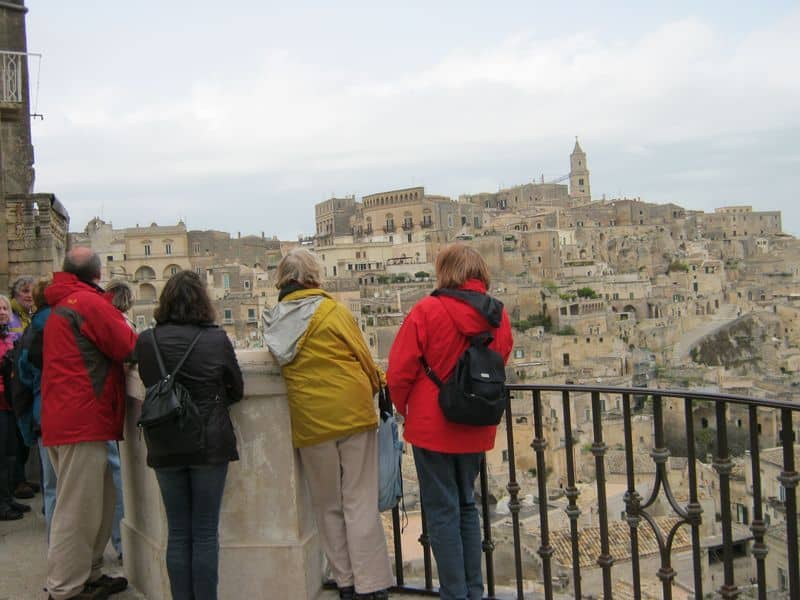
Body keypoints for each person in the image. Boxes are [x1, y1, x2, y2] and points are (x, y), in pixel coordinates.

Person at [263, 248, 392, 600]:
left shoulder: (273, 320)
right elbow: (365, 358)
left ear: (282, 279)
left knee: (327, 504)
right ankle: (371, 585)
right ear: (314, 276)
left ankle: (346, 582)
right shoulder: (332, 310)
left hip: (310, 420)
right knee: (358, 500)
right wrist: (379, 383)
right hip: (351, 413)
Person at [387, 244, 513, 600]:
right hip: (476, 424)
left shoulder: (427, 310)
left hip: (432, 426)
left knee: (442, 511)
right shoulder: (498, 316)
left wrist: (404, 408)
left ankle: (455, 593)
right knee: (467, 506)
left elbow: (399, 372)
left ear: (446, 271)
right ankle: (474, 591)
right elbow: (499, 359)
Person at [136, 270, 243, 600]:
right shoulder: (216, 339)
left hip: (165, 443)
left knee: (178, 531)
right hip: (209, 443)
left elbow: (150, 384)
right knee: (205, 532)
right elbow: (236, 389)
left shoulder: (147, 341)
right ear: (203, 302)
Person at [42, 248, 137, 600]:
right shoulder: (87, 303)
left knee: (97, 503)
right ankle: (64, 589)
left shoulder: (63, 301)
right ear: (98, 274)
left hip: (70, 417)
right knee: (77, 510)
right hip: (82, 420)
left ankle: (89, 574)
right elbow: (127, 344)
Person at [16, 278, 55, 530]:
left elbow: (22, 379)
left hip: (43, 414)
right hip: (66, 413)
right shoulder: (61, 323)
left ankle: (55, 537)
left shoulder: (32, 330)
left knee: (51, 485)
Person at [104, 280, 135, 560]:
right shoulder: (118, 325)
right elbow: (129, 353)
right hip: (104, 413)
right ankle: (123, 545)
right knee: (115, 478)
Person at [0, 294, 30, 520]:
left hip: (8, 402)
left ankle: (8, 498)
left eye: (5, 308)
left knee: (11, 452)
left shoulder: (7, 336)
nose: (2, 311)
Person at [8, 275, 38, 500]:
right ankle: (16, 481)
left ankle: (20, 479)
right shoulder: (12, 316)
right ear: (16, 294)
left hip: (22, 380)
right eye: (25, 291)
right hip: (12, 382)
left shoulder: (29, 315)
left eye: (32, 291)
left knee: (23, 432)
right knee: (15, 437)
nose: (29, 295)